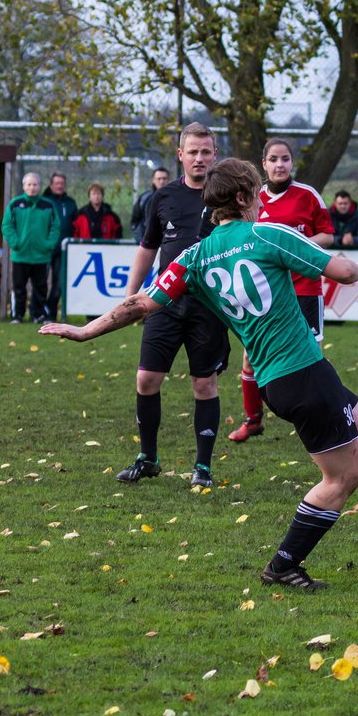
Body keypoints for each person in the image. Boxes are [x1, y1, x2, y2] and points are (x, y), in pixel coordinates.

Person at [39, 158, 358, 590]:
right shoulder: (268, 233)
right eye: (257, 189)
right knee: (344, 478)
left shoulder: (194, 256)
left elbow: (139, 303)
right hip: (302, 375)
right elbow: (343, 271)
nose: (263, 196)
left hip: (280, 379)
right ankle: (284, 564)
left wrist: (85, 331)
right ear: (245, 198)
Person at [113, 121, 229, 489]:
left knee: (204, 385)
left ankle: (203, 468)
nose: (199, 158)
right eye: (192, 152)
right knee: (146, 379)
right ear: (180, 155)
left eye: (205, 151)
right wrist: (132, 293)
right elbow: (148, 248)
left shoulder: (227, 199)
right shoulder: (162, 197)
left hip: (209, 307)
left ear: (215, 155)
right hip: (163, 302)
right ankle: (148, 458)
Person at [230, 138, 334, 443]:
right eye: (273, 159)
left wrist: (294, 249)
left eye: (285, 159)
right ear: (263, 164)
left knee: (310, 355)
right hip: (265, 293)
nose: (280, 165)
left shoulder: (308, 196)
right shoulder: (252, 199)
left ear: (292, 163)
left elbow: (327, 235)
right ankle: (253, 420)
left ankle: (322, 412)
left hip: (304, 288)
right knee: (250, 356)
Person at [2, 172, 60, 324]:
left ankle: (38, 315)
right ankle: (17, 316)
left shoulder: (48, 205)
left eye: (35, 184)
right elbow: (7, 226)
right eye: (29, 184)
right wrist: (15, 243)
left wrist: (48, 245)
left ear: (39, 186)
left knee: (40, 288)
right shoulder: (15, 204)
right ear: (23, 186)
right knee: (19, 287)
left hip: (41, 256)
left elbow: (55, 227)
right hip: (20, 255)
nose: (32, 188)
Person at [43, 172, 78, 320]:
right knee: (41, 283)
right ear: (51, 185)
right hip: (45, 249)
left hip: (64, 250)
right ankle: (37, 313)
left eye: (62, 183)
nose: (59, 186)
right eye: (56, 183)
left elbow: (76, 224)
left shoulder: (70, 203)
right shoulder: (44, 202)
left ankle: (50, 311)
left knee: (59, 284)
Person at [130, 166, 170, 244]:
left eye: (164, 178)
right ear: (153, 180)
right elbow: (135, 222)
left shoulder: (175, 198)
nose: (162, 181)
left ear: (169, 180)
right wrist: (142, 240)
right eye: (159, 179)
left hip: (169, 245)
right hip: (148, 244)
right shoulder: (144, 199)